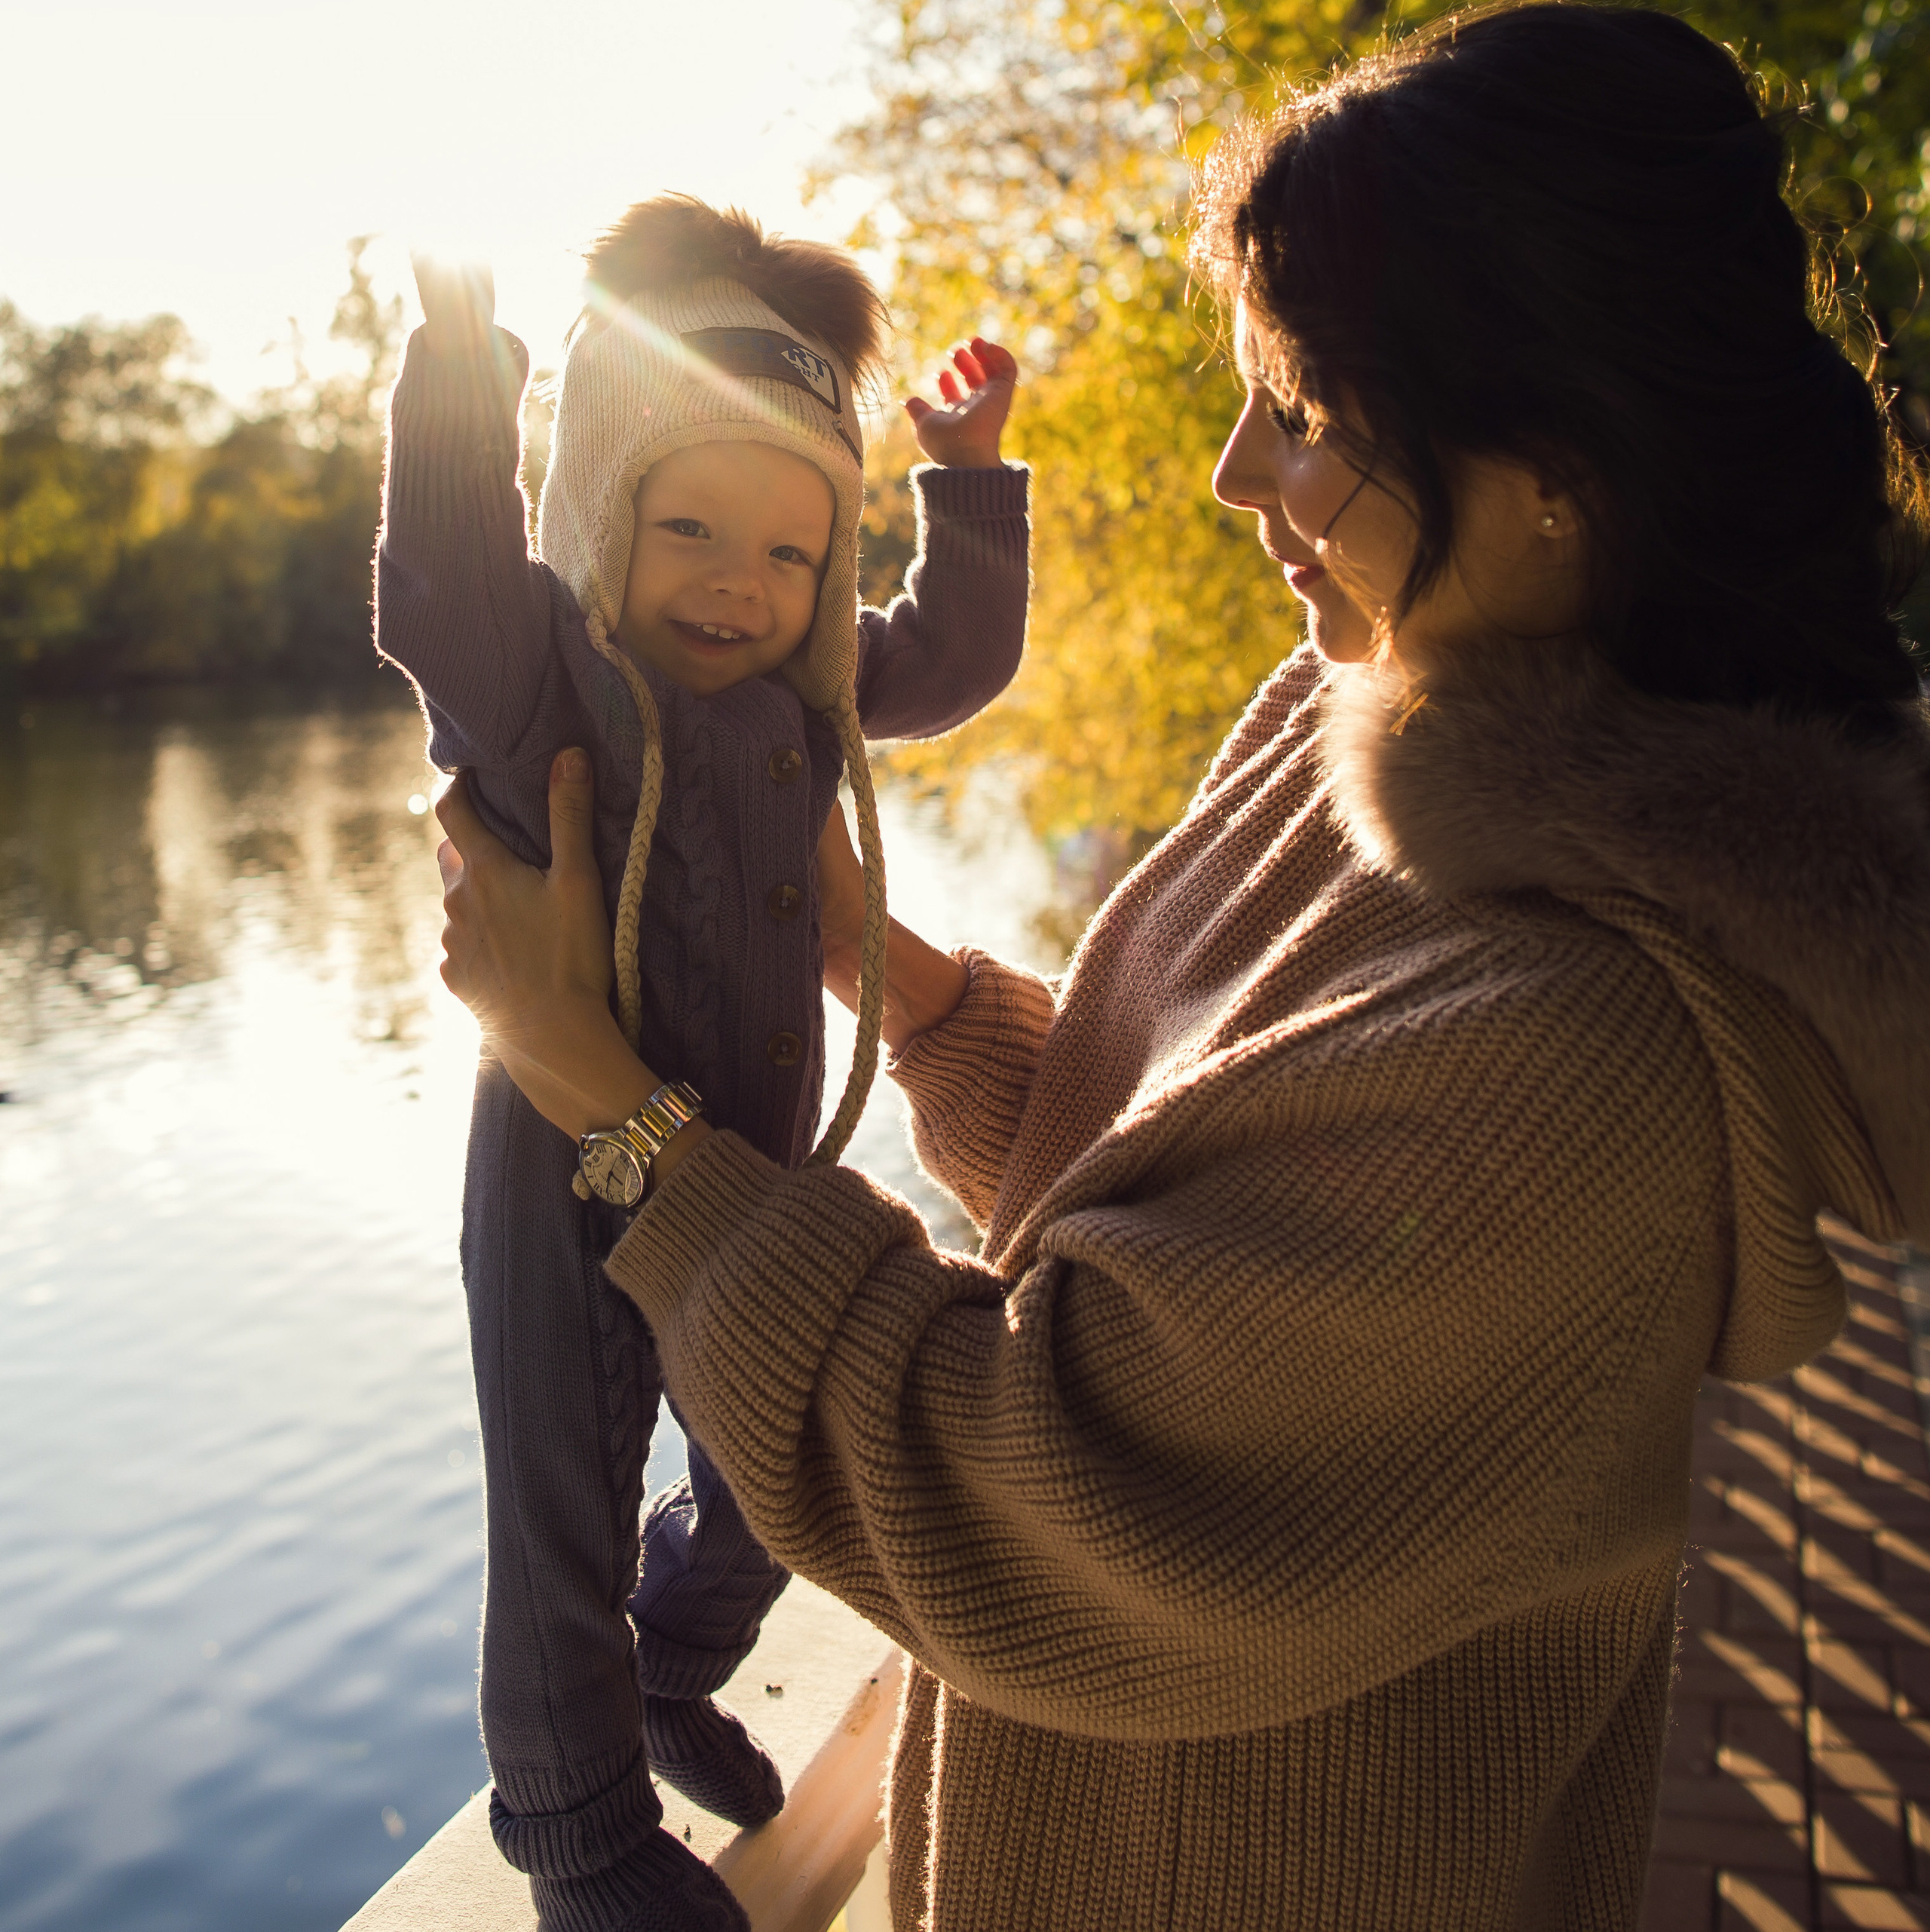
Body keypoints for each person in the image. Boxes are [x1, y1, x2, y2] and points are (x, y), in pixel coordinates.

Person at [430, 8, 1930, 1927]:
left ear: (1548, 467)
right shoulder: (1383, 705)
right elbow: (1193, 1167)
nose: (1233, 477)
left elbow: (1031, 1494)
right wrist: (888, 974)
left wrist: (603, 1101)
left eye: (1297, 415)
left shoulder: (1596, 1060)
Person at [376, 194, 1028, 1931]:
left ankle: (679, 1672)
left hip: (742, 1173)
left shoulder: (806, 698)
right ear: (603, 509)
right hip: (563, 1183)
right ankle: (578, 1834)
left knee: (769, 1457)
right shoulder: (543, 684)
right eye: (685, 527)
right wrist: (459, 372)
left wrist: (960, 473)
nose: (739, 583)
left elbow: (954, 657)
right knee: (564, 1515)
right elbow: (440, 583)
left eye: (789, 551)